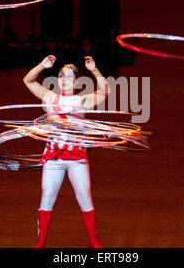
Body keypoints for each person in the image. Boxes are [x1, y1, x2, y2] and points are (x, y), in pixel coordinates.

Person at [23, 54, 110, 248]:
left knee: (85, 198)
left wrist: (94, 70)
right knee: (47, 198)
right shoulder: (49, 97)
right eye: (62, 76)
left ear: (77, 81)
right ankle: (40, 243)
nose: (65, 80)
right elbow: (28, 80)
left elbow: (106, 92)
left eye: (70, 77)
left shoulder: (82, 101)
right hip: (53, 157)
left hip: (77, 157)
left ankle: (94, 243)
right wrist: (42, 65)